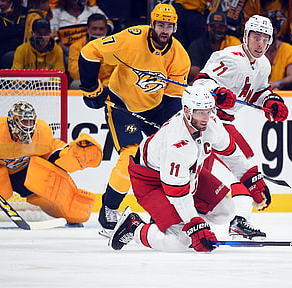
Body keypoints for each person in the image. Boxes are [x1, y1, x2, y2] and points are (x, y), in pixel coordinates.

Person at [79, 3, 202, 238]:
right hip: (122, 105)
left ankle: (162, 212)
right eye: (160, 24)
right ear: (152, 24)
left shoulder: (180, 57)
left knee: (168, 155)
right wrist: (90, 87)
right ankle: (109, 208)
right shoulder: (131, 39)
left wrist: (172, 129)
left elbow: (173, 99)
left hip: (155, 108)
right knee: (130, 156)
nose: (164, 30)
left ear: (175, 28)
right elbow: (89, 52)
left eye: (169, 26)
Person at [109, 85, 272, 253]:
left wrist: (251, 178)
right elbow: (178, 194)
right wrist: (195, 225)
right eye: (200, 112)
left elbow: (231, 154)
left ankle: (171, 222)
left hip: (188, 174)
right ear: (187, 111)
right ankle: (133, 227)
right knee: (179, 242)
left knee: (226, 211)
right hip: (151, 182)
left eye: (208, 111)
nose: (206, 117)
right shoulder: (175, 145)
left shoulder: (211, 123)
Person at [192, 15, 289, 239]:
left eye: (265, 39)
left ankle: (240, 220)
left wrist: (271, 102)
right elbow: (200, 83)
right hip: (205, 121)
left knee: (246, 167)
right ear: (245, 36)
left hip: (224, 123)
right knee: (200, 173)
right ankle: (182, 220)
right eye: (256, 38)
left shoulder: (263, 64)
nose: (260, 44)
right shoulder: (229, 57)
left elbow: (257, 93)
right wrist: (216, 93)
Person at [0, 101, 102, 224]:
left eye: (30, 121)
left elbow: (52, 151)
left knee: (44, 175)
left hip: (22, 176)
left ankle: (69, 213)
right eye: (23, 122)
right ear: (12, 121)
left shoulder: (41, 132)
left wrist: (68, 155)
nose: (28, 126)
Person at [187, 11, 241, 84]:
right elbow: (193, 73)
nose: (217, 30)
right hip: (202, 83)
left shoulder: (233, 43)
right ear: (206, 28)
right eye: (213, 27)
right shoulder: (197, 44)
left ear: (226, 29)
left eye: (220, 27)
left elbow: (237, 70)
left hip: (227, 84)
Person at [68, 13, 114, 87]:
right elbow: (74, 73)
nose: (98, 32)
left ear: (106, 30)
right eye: (94, 28)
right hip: (87, 82)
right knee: (75, 84)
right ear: (88, 29)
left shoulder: (114, 47)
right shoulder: (75, 47)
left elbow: (117, 72)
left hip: (108, 84)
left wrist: (105, 84)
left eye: (101, 29)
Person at [265, 16, 292, 90]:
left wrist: (277, 83)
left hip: (280, 90)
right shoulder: (253, 49)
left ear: (278, 33)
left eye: (270, 31)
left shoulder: (289, 50)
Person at [0, 0, 26, 68]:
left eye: (4, 1)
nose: (0, 4)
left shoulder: (26, 15)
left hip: (25, 53)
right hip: (4, 54)